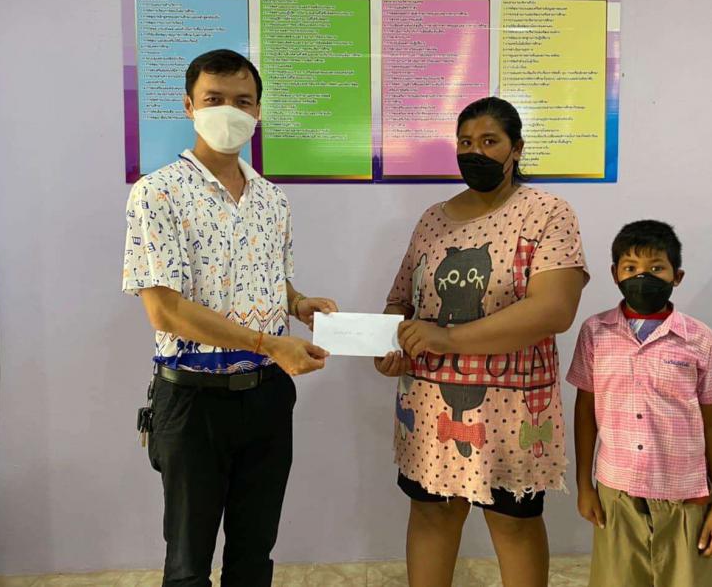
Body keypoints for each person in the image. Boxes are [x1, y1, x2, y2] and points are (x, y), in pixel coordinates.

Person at [122, 49, 337, 586]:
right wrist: (269, 343)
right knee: (188, 563)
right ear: (189, 106)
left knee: (254, 553)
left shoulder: (272, 199)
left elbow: (270, 278)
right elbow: (164, 309)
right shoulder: (158, 192)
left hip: (267, 395)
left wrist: (297, 303)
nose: (229, 111)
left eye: (242, 101)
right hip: (193, 401)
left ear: (258, 111)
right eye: (214, 99)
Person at [376, 97, 589, 587]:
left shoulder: (547, 213)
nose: (475, 151)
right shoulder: (433, 219)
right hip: (429, 406)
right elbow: (401, 299)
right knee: (432, 514)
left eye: (489, 141)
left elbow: (554, 309)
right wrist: (388, 342)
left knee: (513, 522)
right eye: (465, 142)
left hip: (512, 408)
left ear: (517, 148)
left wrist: (448, 338)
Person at [567, 220, 712, 587]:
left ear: (677, 276)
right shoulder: (595, 333)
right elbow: (584, 413)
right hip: (616, 491)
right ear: (615, 274)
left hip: (685, 494)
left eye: (656, 268)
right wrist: (584, 485)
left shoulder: (699, 339)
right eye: (631, 268)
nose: (642, 277)